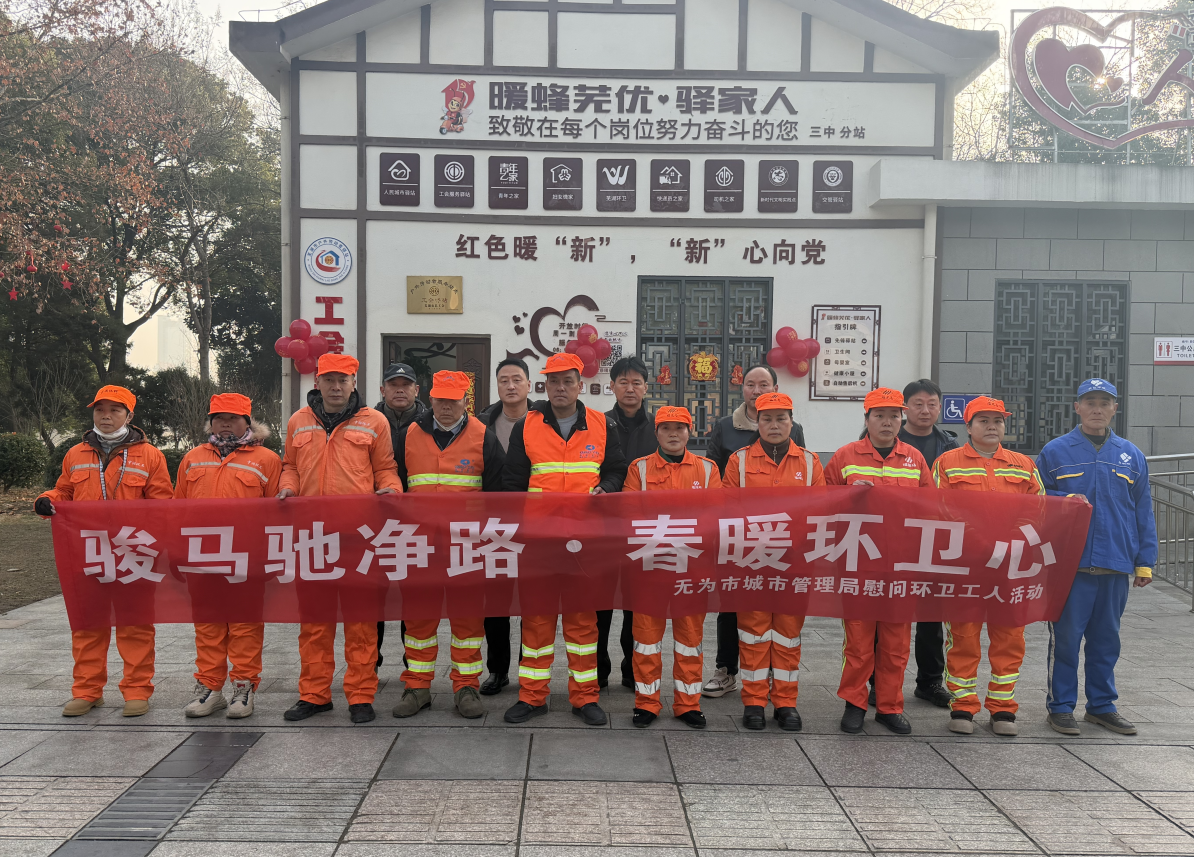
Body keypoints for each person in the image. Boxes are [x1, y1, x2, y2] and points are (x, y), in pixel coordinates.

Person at [501, 351, 627, 726]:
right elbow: (512, 484)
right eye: (553, 381)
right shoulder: (527, 425)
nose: (560, 387)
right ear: (545, 385)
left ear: (579, 385)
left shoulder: (603, 425)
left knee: (583, 623)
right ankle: (532, 697)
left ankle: (585, 697)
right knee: (536, 620)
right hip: (540, 542)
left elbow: (617, 470)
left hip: (584, 542)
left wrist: (607, 488)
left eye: (567, 381)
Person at [35, 385, 173, 717]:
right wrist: (47, 500)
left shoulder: (150, 455)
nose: (106, 416)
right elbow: (64, 491)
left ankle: (137, 690)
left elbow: (162, 504)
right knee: (88, 624)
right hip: (88, 550)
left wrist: (156, 546)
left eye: (114, 410)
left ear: (129, 415)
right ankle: (87, 690)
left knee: (135, 624)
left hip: (132, 552)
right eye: (100, 410)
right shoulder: (75, 454)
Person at [278, 352, 401, 724]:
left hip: (358, 538)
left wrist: (392, 490)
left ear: (353, 383)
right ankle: (314, 695)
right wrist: (287, 486)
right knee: (314, 621)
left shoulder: (374, 421)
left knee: (361, 621)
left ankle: (361, 695)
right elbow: (290, 466)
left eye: (342, 380)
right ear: (317, 381)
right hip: (313, 538)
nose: (335, 387)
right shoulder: (298, 421)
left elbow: (385, 468)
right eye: (329, 379)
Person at [1037, 378, 1157, 737]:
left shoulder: (1131, 455)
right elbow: (1036, 502)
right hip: (1069, 566)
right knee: (1066, 640)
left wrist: (1145, 561)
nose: (1097, 409)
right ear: (1077, 407)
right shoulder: (1056, 452)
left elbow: (1143, 511)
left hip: (1115, 563)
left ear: (1115, 409)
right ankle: (1060, 707)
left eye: (1105, 403)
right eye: (1090, 402)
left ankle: (1101, 706)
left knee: (1107, 640)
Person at [391, 370, 506, 720]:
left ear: (465, 401)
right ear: (430, 398)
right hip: (420, 543)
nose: (445, 407)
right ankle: (417, 687)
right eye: (440, 399)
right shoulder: (409, 434)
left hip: (466, 546)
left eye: (453, 400)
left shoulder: (484, 437)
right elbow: (394, 481)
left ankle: (466, 687)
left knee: (468, 620)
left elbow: (499, 496)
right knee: (418, 620)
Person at [932, 396, 1043, 737]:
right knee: (962, 636)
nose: (992, 426)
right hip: (966, 566)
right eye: (983, 421)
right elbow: (940, 507)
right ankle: (963, 706)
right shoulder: (947, 463)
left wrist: (1010, 543)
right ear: (968, 427)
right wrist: (979, 542)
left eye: (998, 421)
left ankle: (1002, 708)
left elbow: (1037, 507)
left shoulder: (1023, 464)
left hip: (1011, 566)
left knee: (1010, 636)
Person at [824, 387, 932, 735]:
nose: (887, 422)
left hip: (902, 565)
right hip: (859, 562)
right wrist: (849, 496)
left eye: (894, 416)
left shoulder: (915, 458)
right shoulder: (845, 456)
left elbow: (931, 509)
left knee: (896, 643)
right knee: (858, 641)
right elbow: (822, 504)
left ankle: (889, 707)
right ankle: (854, 704)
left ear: (901, 419)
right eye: (880, 415)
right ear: (867, 419)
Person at [174, 393, 282, 720]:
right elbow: (177, 508)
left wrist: (271, 557)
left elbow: (278, 515)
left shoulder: (267, 460)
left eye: (233, 418)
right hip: (202, 555)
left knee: (245, 624)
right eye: (219, 418)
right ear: (210, 422)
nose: (225, 423)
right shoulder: (193, 458)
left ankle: (243, 688)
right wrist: (176, 550)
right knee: (207, 624)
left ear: (247, 422)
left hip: (247, 557)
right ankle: (209, 689)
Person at [703, 365, 807, 700]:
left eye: (764, 384)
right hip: (741, 538)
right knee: (733, 608)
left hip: (785, 543)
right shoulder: (726, 431)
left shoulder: (799, 441)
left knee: (781, 615)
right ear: (742, 388)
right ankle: (728, 670)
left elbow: (810, 491)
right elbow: (715, 476)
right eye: (751, 384)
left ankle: (776, 680)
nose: (757, 389)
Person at [724, 392, 824, 732]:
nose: (775, 425)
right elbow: (726, 510)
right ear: (757, 422)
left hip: (794, 564)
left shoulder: (810, 463)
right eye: (767, 419)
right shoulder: (738, 462)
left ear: (791, 422)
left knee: (787, 635)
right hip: (751, 561)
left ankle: (785, 702)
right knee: (753, 633)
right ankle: (754, 701)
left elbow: (820, 512)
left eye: (782, 418)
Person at [624, 405, 720, 730]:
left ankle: (688, 703)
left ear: (690, 432)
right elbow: (629, 514)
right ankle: (646, 703)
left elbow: (715, 517)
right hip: (649, 568)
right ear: (656, 433)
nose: (673, 434)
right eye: (666, 428)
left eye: (680, 428)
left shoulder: (707, 470)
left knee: (690, 639)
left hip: (691, 569)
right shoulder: (639, 469)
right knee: (646, 640)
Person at [897, 379, 959, 710]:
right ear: (905, 407)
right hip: (894, 540)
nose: (925, 410)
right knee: (888, 615)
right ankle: (881, 682)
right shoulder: (887, 437)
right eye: (918, 404)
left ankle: (930, 682)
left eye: (932, 404)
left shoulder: (949, 445)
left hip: (935, 540)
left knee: (932, 616)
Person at [477, 357, 534, 695]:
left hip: (532, 525)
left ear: (529, 384)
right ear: (496, 385)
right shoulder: (481, 423)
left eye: (517, 379)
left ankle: (530, 670)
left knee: (531, 602)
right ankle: (497, 670)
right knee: (495, 602)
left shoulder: (543, 420)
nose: (510, 386)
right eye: (504, 380)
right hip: (493, 525)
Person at [599, 355, 655, 690]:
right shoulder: (598, 423)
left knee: (636, 604)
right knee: (601, 602)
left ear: (646, 387)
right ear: (613, 386)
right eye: (623, 382)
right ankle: (599, 669)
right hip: (604, 529)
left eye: (636, 382)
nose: (630, 388)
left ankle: (633, 668)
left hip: (645, 530)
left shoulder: (659, 428)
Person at [375, 362, 427, 668]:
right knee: (373, 593)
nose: (399, 390)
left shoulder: (429, 424)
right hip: (374, 523)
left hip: (416, 524)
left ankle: (414, 662)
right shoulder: (366, 421)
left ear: (416, 390)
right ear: (382, 390)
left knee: (413, 594)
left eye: (405, 385)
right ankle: (370, 660)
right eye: (393, 385)